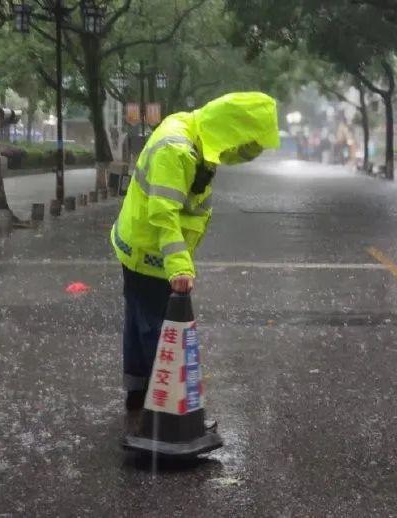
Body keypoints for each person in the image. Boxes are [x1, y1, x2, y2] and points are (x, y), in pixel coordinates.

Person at [111, 92, 280, 431]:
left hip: (145, 246)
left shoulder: (198, 134)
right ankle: (170, 417)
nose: (240, 154)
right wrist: (179, 267)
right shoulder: (176, 149)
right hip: (152, 250)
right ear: (229, 130)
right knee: (163, 333)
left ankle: (139, 394)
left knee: (141, 321)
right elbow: (163, 214)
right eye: (242, 145)